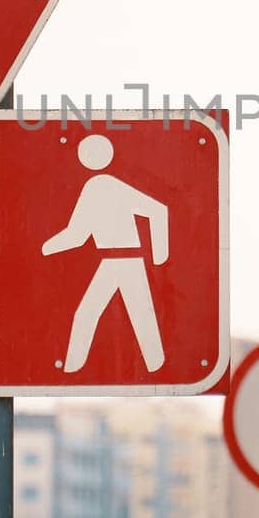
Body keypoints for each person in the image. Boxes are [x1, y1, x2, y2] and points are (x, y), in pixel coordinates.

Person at [42, 134, 169, 372]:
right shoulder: (99, 186)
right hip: (117, 261)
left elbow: (158, 210)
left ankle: (72, 368)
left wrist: (160, 255)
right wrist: (46, 248)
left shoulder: (102, 186)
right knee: (119, 316)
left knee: (95, 315)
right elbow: (78, 235)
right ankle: (155, 365)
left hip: (124, 261)